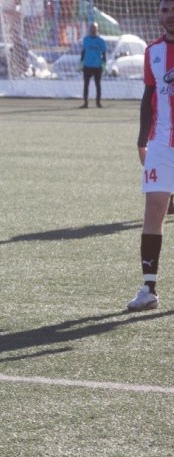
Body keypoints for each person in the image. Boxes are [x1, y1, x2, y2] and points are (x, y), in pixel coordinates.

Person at [127, 0, 174, 312]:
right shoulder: (152, 51)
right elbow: (148, 97)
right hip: (160, 144)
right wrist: (142, 140)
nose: (170, 16)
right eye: (165, 10)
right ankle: (149, 288)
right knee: (154, 209)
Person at [79, 22, 107, 108]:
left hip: (97, 66)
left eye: (95, 28)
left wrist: (103, 64)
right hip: (87, 65)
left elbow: (104, 53)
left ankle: (98, 102)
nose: (93, 29)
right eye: (92, 28)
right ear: (90, 29)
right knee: (86, 84)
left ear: (97, 29)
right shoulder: (86, 39)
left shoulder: (101, 41)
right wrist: (81, 63)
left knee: (98, 85)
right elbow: (83, 52)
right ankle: (85, 102)